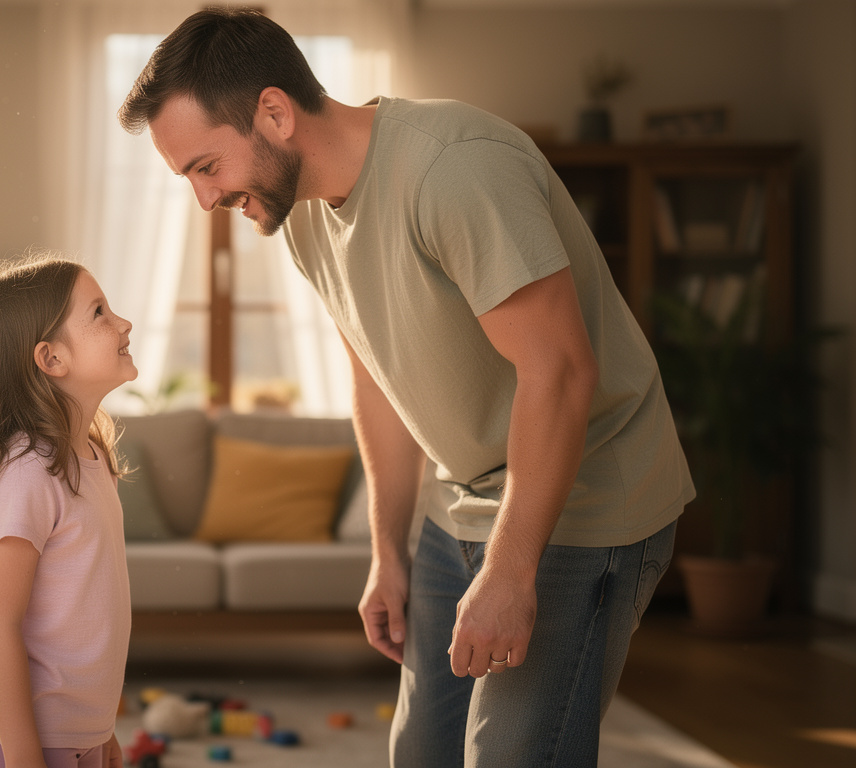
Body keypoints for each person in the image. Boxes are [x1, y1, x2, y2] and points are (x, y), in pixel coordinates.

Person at [119, 8, 694, 767]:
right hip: (458, 502)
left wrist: (511, 568)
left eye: (205, 167)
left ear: (274, 113)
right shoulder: (300, 216)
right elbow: (378, 374)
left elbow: (559, 371)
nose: (204, 200)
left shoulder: (453, 169)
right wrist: (386, 550)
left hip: (582, 501)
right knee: (421, 753)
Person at [0, 252, 135, 768]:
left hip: (73, 734)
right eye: (99, 313)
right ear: (52, 359)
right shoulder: (27, 471)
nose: (124, 322)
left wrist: (97, 728)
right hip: (16, 745)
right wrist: (25, 758)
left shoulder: (88, 451)